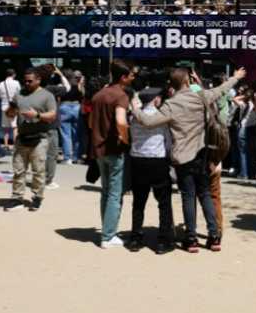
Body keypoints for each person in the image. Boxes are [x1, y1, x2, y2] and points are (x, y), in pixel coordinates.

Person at [131, 66, 245, 253]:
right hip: (201, 153)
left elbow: (148, 122)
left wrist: (135, 109)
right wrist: (236, 77)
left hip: (183, 156)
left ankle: (191, 238)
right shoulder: (200, 96)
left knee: (188, 196)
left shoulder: (171, 104)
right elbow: (221, 90)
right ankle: (214, 236)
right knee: (205, 194)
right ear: (187, 81)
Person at [90, 61, 135, 248]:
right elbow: (121, 121)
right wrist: (125, 138)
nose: (133, 77)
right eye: (131, 74)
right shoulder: (121, 96)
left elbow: (91, 122)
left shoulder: (99, 95)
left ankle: (107, 230)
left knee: (106, 191)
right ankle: (108, 236)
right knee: (115, 194)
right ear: (123, 77)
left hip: (98, 149)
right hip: (114, 150)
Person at [127, 87, 174, 253]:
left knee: (139, 202)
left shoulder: (134, 117)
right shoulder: (160, 117)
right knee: (164, 202)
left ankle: (135, 238)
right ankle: (163, 240)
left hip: (137, 159)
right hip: (157, 160)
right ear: (156, 100)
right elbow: (168, 141)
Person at [7, 67, 57, 210]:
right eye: (25, 81)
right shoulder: (19, 94)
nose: (27, 83)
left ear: (38, 80)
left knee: (38, 171)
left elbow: (52, 116)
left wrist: (37, 115)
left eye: (30, 81)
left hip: (40, 138)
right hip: (22, 137)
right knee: (18, 170)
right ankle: (17, 197)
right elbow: (10, 114)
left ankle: (37, 197)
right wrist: (11, 109)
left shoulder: (47, 95)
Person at [59, 70, 84, 164]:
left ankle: (67, 158)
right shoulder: (78, 85)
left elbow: (58, 98)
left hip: (64, 107)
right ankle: (76, 156)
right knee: (77, 133)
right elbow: (82, 95)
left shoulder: (62, 86)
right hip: (76, 107)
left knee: (66, 135)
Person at [0, 68, 20, 155]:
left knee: (5, 128)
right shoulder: (16, 83)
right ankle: (15, 146)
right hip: (13, 107)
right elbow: (19, 94)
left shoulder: (1, 84)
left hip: (4, 107)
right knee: (14, 127)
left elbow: (0, 96)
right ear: (13, 74)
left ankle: (6, 145)